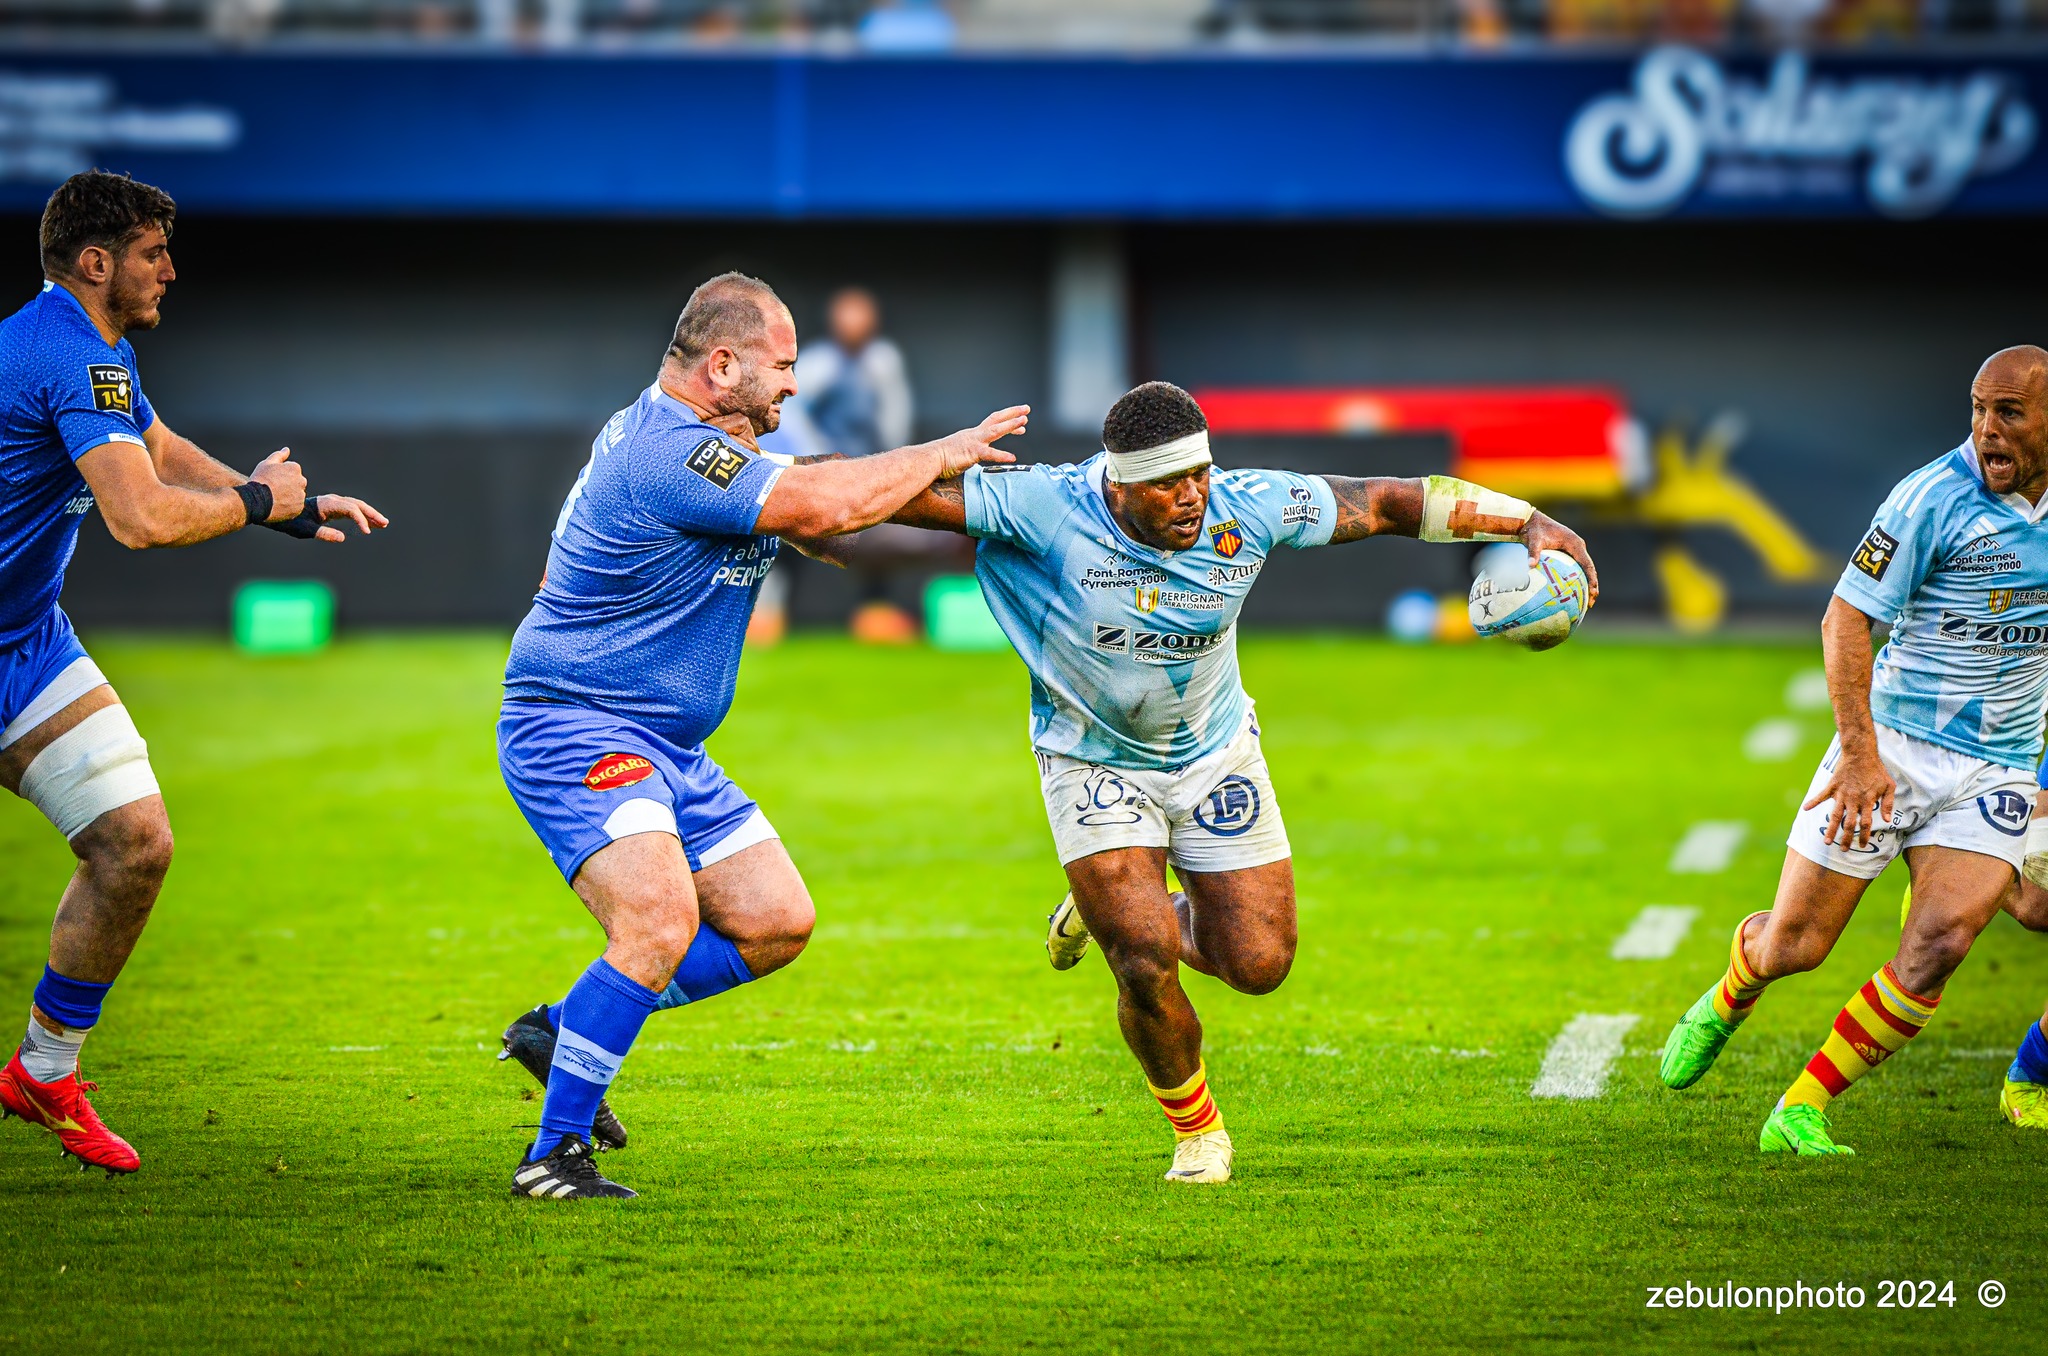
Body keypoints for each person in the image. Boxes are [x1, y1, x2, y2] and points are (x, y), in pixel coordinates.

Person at [891, 380, 1598, 1184]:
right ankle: (1198, 1132)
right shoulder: (1043, 506)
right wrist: (747, 479)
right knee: (1142, 959)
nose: (1191, 496)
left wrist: (1527, 520)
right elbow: (865, 494)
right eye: (1167, 484)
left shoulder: (1247, 504)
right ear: (1118, 483)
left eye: (1198, 473)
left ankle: (1111, 908)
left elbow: (1387, 501)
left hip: (1215, 757)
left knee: (1259, 963)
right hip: (1090, 759)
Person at [495, 271, 1027, 1200]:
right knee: (659, 922)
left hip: (668, 742)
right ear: (722, 364)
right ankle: (554, 1155)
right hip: (580, 724)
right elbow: (819, 508)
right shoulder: (671, 446)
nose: (792, 385)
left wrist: (987, 513)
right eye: (782, 368)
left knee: (777, 920)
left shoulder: (702, 441)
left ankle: (562, 1027)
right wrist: (943, 452)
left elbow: (818, 507)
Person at [0, 171, 386, 1175]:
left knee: (135, 844)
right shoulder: (67, 356)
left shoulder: (96, 354)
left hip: (25, 643)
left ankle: (44, 1072)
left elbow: (157, 448)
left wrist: (285, 506)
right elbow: (139, 517)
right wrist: (258, 502)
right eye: (150, 251)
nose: (170, 268)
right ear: (95, 264)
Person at [1659, 345, 2048, 1155]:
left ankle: (1801, 1106)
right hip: (1893, 749)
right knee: (1796, 947)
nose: (1985, 431)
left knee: (1940, 944)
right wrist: (1861, 758)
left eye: (2008, 412)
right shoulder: (1930, 499)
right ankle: (1738, 981)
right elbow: (1844, 620)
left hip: (1999, 766)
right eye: (1977, 409)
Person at [784, 287, 959, 642]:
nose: (853, 324)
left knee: (882, 536)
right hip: (828, 471)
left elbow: (897, 412)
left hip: (873, 466)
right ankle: (779, 614)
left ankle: (874, 613)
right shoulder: (820, 362)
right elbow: (794, 413)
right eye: (846, 316)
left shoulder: (883, 360)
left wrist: (898, 462)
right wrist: (816, 457)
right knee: (798, 534)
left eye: (860, 315)